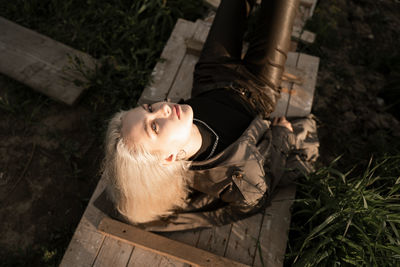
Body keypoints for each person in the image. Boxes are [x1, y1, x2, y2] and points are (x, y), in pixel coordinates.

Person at [100, 0, 319, 232]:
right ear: (168, 158)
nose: (162, 109)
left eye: (149, 109)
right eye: (154, 127)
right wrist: (283, 136)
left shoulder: (176, 119)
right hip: (259, 90)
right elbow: (257, 198)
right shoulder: (235, 172)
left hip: (211, 75)